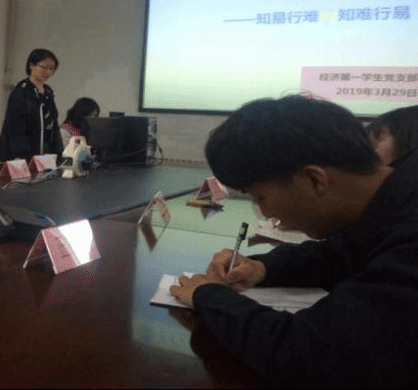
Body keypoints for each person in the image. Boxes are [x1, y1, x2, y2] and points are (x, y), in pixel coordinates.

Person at [168, 94, 418, 388]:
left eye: (260, 197)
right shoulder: (395, 197)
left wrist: (208, 296)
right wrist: (263, 268)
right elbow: (340, 254)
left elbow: (310, 354)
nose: (265, 213)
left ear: (314, 180)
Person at [0, 48, 63, 161]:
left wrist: (59, 153)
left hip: (45, 154)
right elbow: (15, 128)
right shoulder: (21, 92)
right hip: (21, 155)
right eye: (44, 67)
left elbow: (53, 126)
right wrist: (20, 155)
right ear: (31, 65)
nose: (48, 72)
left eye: (51, 69)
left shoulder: (48, 93)